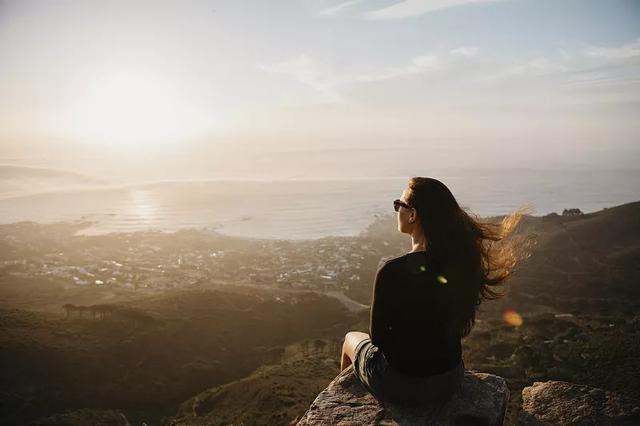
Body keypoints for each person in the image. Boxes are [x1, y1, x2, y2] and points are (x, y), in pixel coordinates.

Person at [340, 176, 530, 407]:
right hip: (449, 378)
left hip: (401, 384)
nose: (396, 209)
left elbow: (378, 339)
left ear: (413, 214)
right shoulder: (460, 264)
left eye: (399, 204)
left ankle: (344, 402)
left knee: (351, 338)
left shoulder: (391, 270)